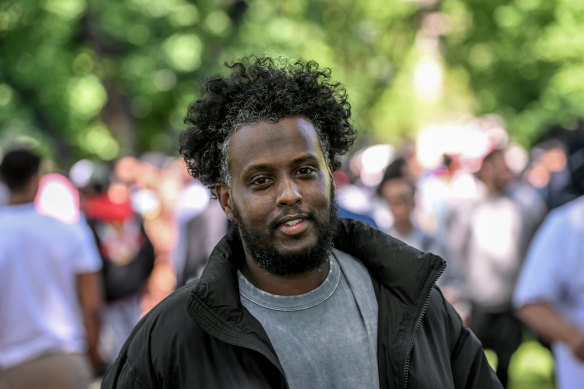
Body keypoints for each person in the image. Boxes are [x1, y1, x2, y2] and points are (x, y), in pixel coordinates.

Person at [101, 57, 501, 388]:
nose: (290, 193)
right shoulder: (169, 340)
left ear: (330, 175)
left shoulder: (413, 302)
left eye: (306, 170)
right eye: (261, 181)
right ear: (227, 200)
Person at [0, 149, 103, 389]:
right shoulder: (70, 231)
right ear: (35, 178)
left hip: (8, 364)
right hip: (64, 359)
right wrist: (93, 356)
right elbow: (92, 305)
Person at [448, 147, 546, 387]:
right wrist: (459, 295)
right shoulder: (468, 209)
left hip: (510, 304)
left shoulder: (525, 204)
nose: (506, 173)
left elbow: (535, 249)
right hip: (477, 303)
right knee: (469, 365)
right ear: (487, 168)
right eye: (500, 166)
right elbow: (455, 253)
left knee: (506, 363)